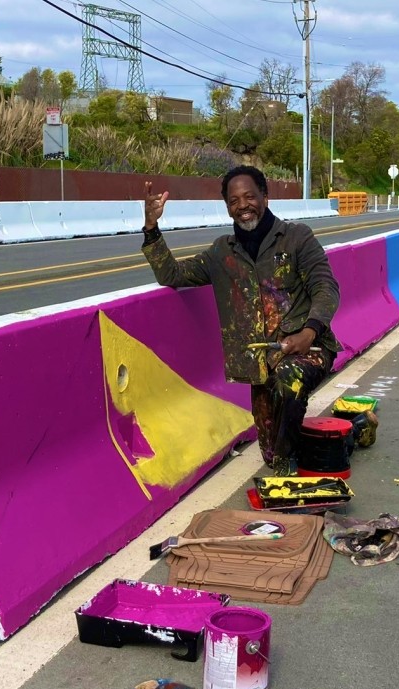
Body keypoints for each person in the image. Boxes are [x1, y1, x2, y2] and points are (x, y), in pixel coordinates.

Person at [141, 165, 341, 476]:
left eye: (249, 196)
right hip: (259, 367)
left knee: (288, 389)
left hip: (307, 351)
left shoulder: (297, 238)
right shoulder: (222, 252)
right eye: (234, 201)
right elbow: (172, 274)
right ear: (227, 207)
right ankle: (345, 436)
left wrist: (310, 331)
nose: (243, 205)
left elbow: (325, 287)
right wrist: (152, 228)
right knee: (272, 449)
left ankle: (287, 475)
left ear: (265, 196)